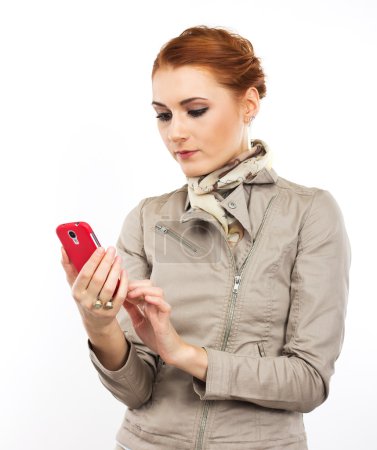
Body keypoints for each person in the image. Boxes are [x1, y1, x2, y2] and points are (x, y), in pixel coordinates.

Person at [60, 25, 351, 450]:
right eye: (163, 114)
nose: (174, 132)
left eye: (195, 110)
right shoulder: (149, 218)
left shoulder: (309, 213)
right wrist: (99, 323)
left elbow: (308, 381)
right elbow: (135, 391)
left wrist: (184, 354)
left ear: (248, 104)